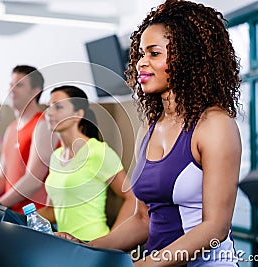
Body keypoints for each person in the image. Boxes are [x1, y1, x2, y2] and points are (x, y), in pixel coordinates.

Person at [56, 0, 242, 266]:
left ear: (188, 57)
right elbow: (143, 219)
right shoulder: (149, 126)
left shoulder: (215, 125)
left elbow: (215, 228)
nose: (141, 62)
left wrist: (143, 265)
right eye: (141, 54)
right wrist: (86, 247)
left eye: (154, 53)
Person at [37, 85, 136, 241]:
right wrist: (16, 218)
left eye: (58, 107)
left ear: (78, 114)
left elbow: (132, 198)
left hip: (92, 242)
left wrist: (111, 240)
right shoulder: (55, 157)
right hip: (65, 244)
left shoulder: (98, 152)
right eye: (49, 107)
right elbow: (53, 212)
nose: (50, 112)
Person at [0, 65, 59, 212]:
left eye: (19, 85)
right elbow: (1, 178)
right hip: (12, 215)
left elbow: (33, 180)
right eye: (10, 85)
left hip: (35, 219)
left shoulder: (43, 125)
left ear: (35, 91)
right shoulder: (11, 129)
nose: (12, 90)